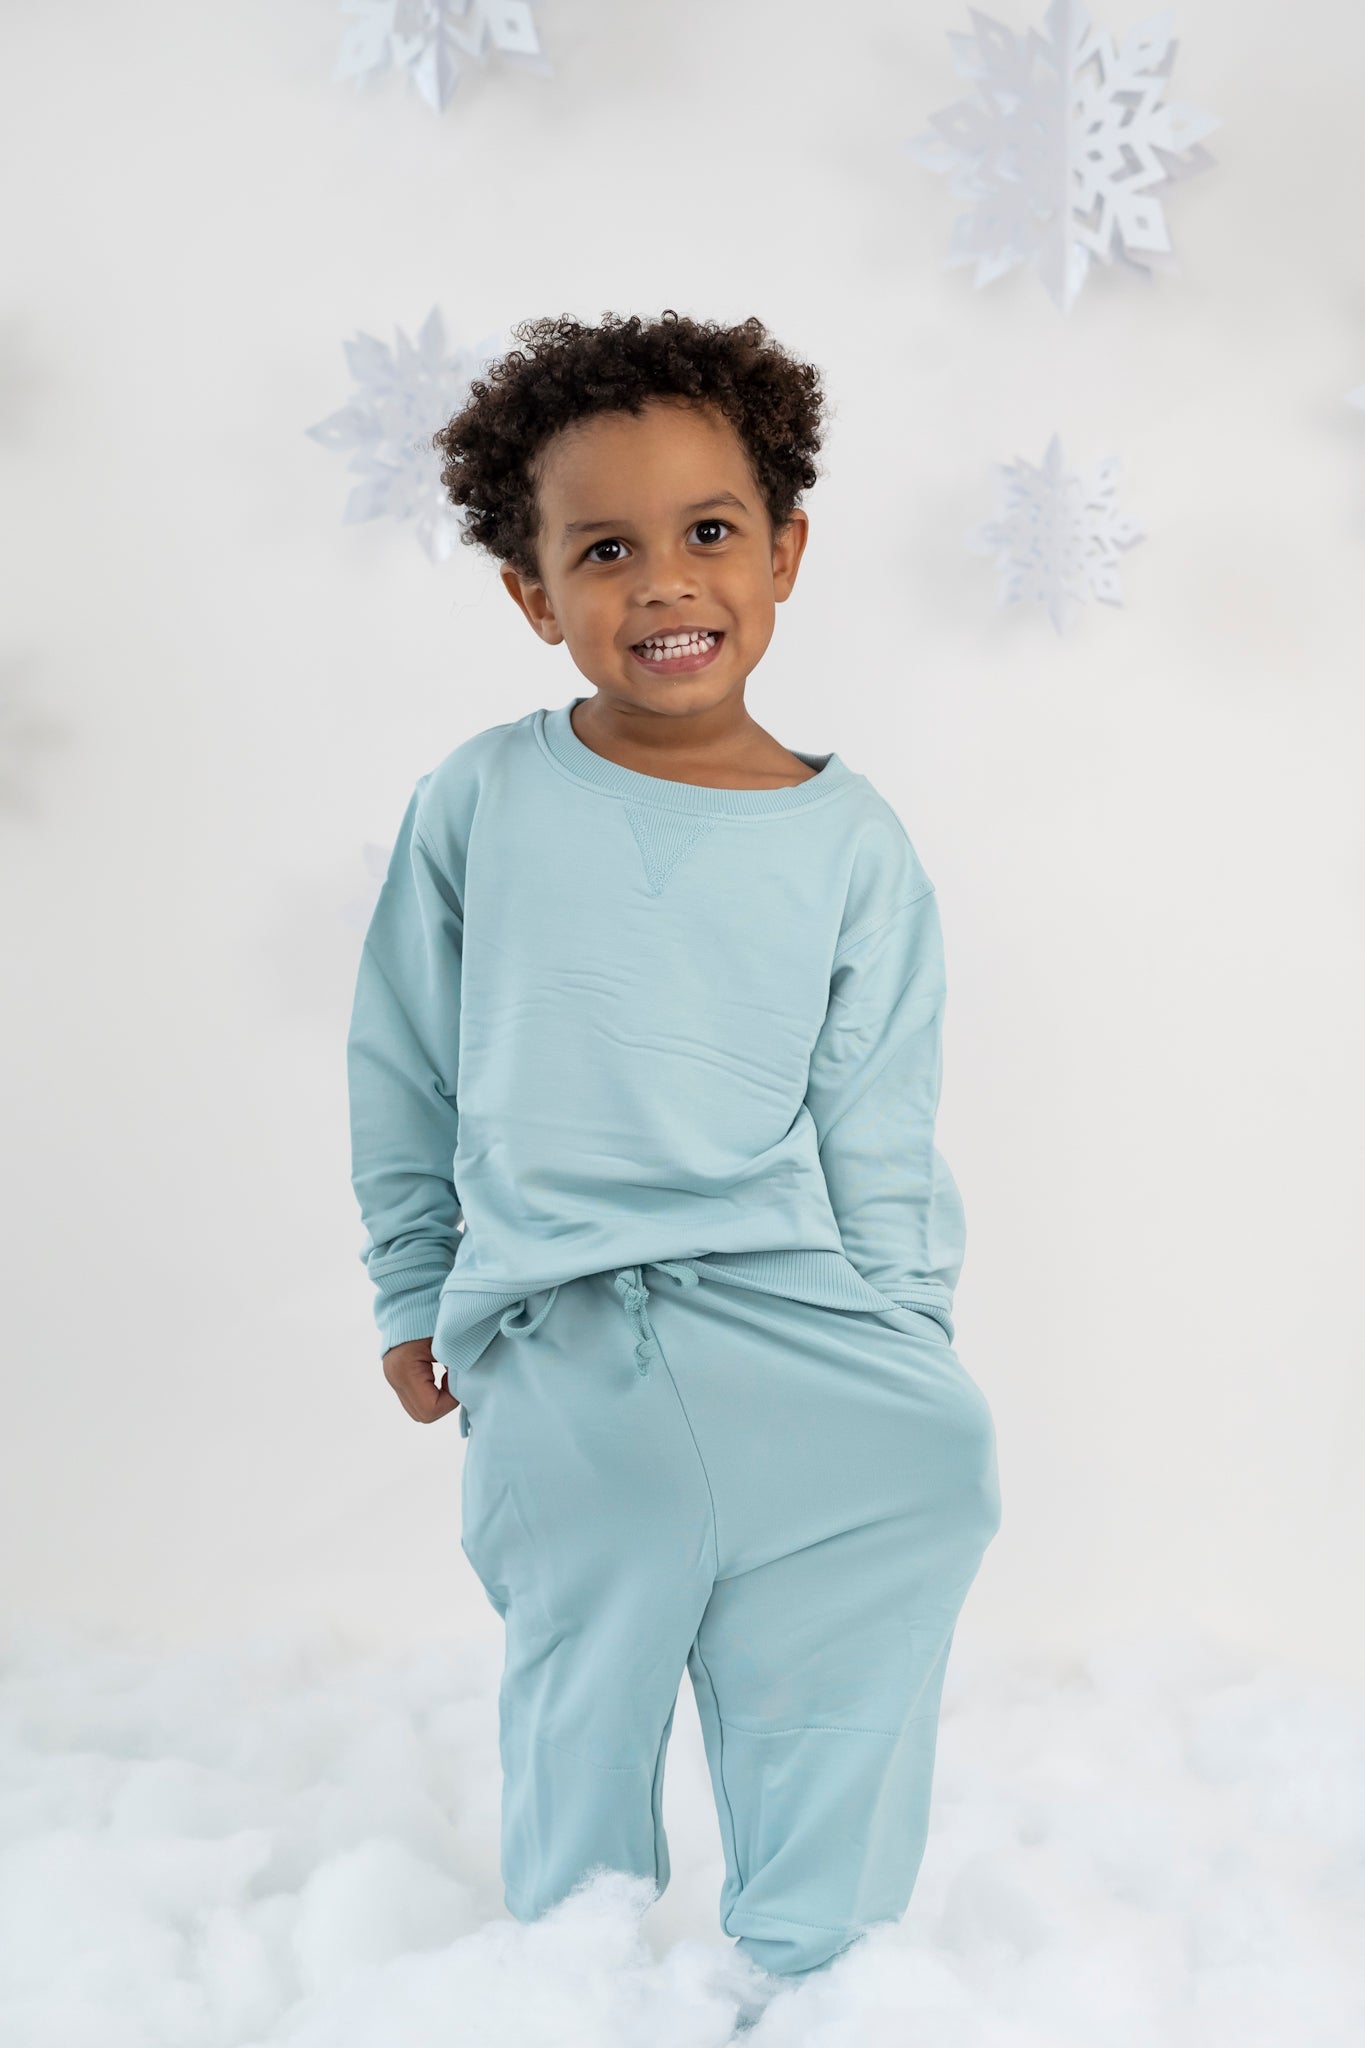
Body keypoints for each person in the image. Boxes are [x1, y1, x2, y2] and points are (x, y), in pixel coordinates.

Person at [346, 309, 1002, 2003]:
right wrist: (413, 1286)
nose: (663, 584)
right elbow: (404, 1062)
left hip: (790, 1313)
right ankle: (573, 1967)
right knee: (590, 1645)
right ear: (531, 595)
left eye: (708, 531)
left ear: (784, 554)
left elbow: (876, 1117)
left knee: (924, 1483)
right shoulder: (482, 800)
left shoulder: (852, 843)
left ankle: (813, 1960)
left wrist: (902, 1332)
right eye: (604, 551)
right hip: (562, 1325)